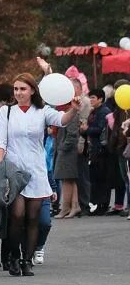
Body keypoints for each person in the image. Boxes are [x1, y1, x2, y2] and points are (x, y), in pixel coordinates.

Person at [0, 73, 79, 277]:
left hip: (36, 171)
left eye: (23, 89)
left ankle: (26, 260)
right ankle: (14, 257)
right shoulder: (6, 112)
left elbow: (62, 120)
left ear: (32, 90)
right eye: (16, 89)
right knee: (17, 215)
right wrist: (0, 169)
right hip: (14, 171)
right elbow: (0, 142)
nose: (19, 93)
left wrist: (73, 109)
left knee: (33, 219)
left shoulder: (42, 111)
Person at [53, 89, 88, 218]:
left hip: (68, 151)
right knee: (68, 180)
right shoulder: (65, 113)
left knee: (67, 179)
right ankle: (74, 206)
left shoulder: (71, 114)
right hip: (66, 150)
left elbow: (72, 134)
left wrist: (63, 147)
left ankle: (66, 207)